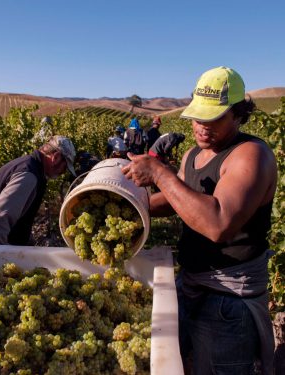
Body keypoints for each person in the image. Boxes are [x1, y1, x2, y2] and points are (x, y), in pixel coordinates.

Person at [122, 66, 277, 374]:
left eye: (215, 117)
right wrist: (130, 208)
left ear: (237, 114)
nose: (203, 126)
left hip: (229, 299)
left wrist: (158, 172)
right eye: (198, 116)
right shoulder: (193, 154)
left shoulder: (250, 155)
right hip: (192, 282)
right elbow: (178, 197)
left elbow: (218, 224)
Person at [0, 135, 76, 245]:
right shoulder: (29, 175)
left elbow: (17, 220)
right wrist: (3, 260)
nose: (63, 172)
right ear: (56, 157)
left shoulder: (25, 164)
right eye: (65, 167)